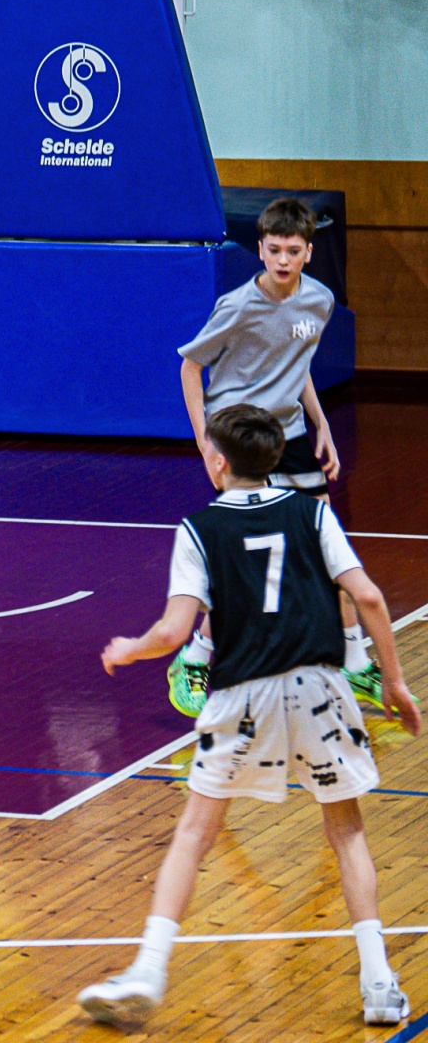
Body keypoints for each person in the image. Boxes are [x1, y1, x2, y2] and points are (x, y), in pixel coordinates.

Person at [77, 404, 420, 1030]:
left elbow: (173, 632)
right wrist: (394, 682)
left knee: (194, 833)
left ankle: (149, 969)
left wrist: (129, 648)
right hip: (319, 686)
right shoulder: (314, 512)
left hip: (242, 694)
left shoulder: (199, 529)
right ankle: (377, 982)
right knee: (346, 831)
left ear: (216, 460)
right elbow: (368, 596)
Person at [167, 196, 373, 718]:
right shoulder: (237, 306)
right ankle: (194, 658)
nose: (283, 259)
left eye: (293, 250)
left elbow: (295, 364)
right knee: (247, 559)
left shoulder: (320, 301)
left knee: (326, 547)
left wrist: (322, 424)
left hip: (291, 433)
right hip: (239, 438)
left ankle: (355, 659)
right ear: (260, 250)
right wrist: (205, 441)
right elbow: (191, 368)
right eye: (274, 249)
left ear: (309, 252)